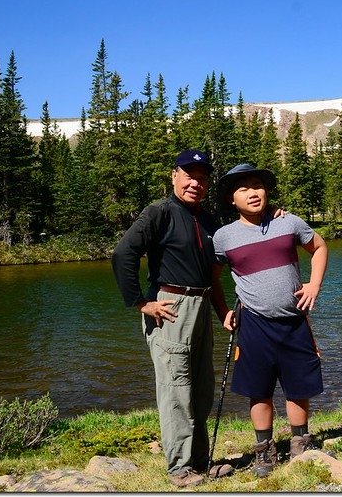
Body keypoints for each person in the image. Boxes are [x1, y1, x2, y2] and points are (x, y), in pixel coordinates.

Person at [111, 149, 231, 488]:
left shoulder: (207, 220)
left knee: (201, 387)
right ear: (174, 176)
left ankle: (200, 461)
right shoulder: (159, 213)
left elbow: (219, 267)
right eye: (189, 175)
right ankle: (179, 469)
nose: (196, 183)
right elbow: (123, 254)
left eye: (203, 178)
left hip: (202, 305)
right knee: (176, 388)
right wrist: (140, 303)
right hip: (170, 307)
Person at [213, 163, 328, 478]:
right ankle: (265, 453)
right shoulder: (223, 237)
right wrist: (223, 312)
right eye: (243, 188)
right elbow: (212, 279)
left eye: (257, 186)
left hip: (293, 321)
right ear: (231, 199)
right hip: (254, 324)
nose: (252, 193)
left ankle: (301, 443)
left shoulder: (288, 222)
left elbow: (318, 247)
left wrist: (314, 284)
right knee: (258, 390)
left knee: (298, 384)